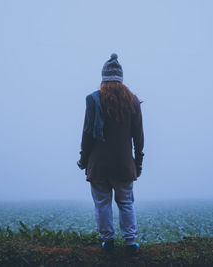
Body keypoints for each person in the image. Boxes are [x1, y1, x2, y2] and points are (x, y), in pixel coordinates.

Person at [77, 53, 144, 254]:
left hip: (98, 165)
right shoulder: (132, 101)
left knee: (102, 204)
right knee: (125, 203)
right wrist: (137, 164)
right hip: (124, 165)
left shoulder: (93, 100)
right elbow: (138, 137)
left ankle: (108, 242)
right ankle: (131, 244)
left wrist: (83, 160)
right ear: (121, 79)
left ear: (103, 78)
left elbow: (87, 135)